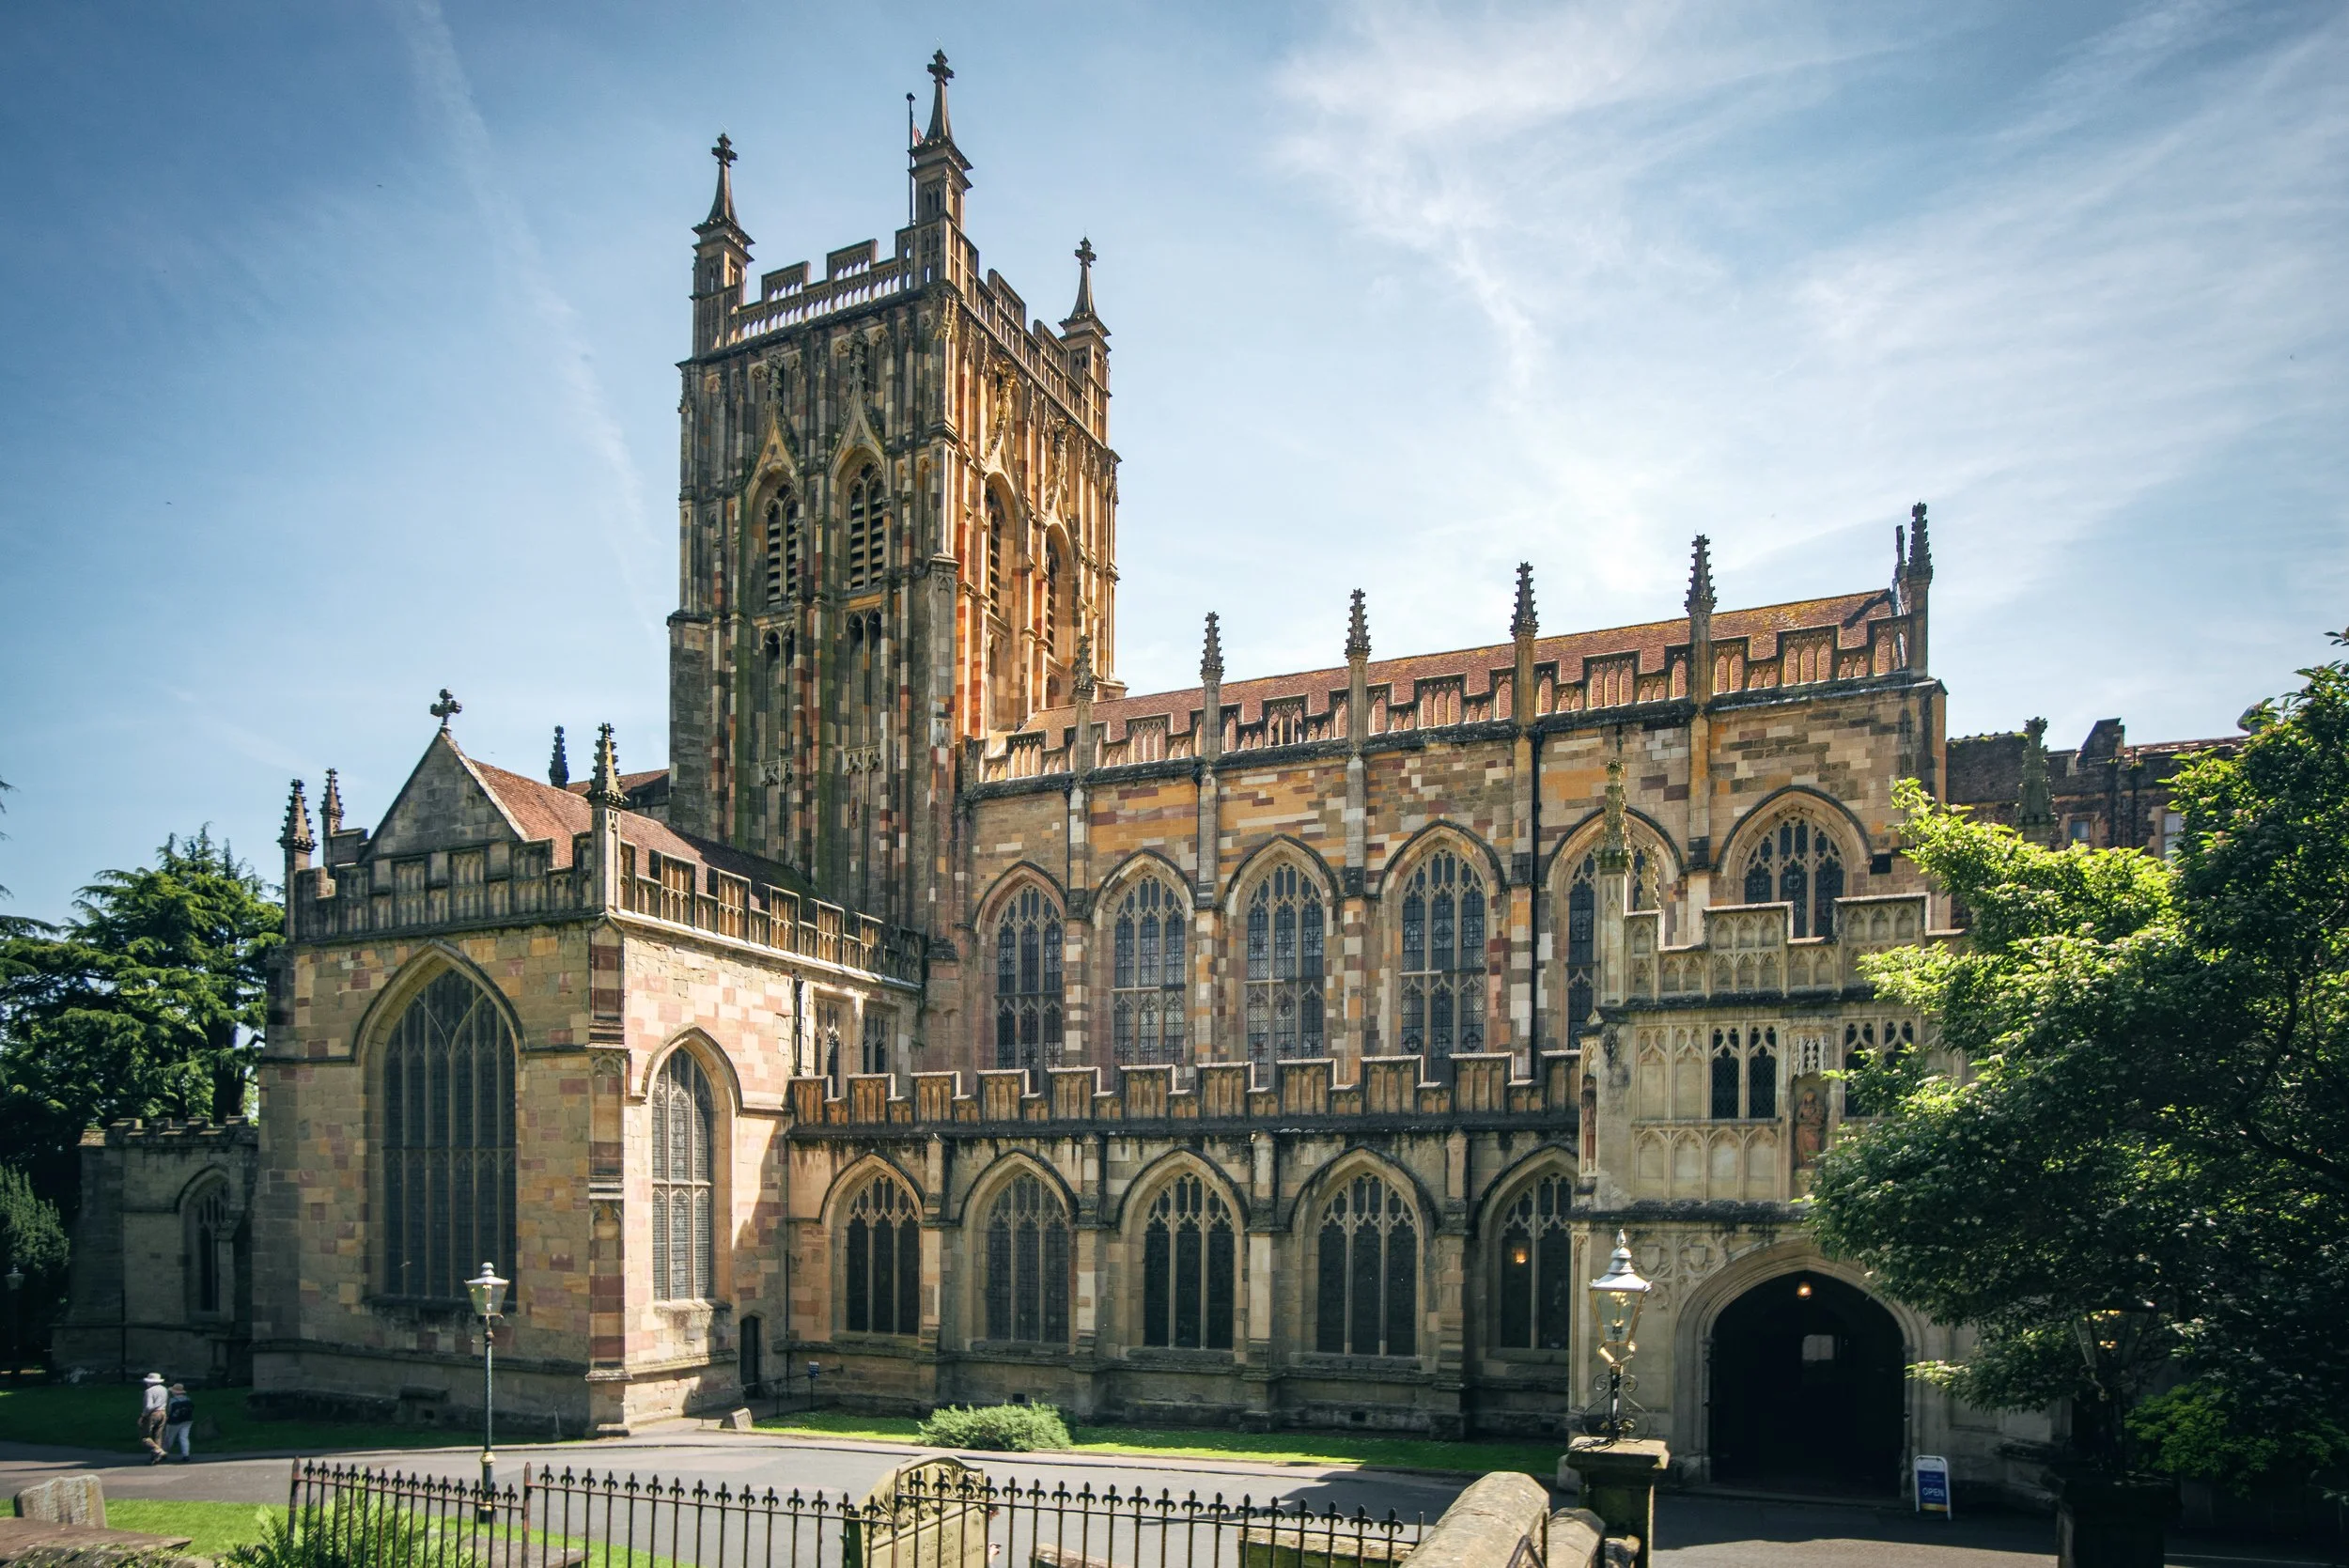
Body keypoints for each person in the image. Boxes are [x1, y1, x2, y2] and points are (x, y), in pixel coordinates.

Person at [137, 1372, 167, 1463]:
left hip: (153, 1414)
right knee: (157, 1435)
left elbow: (149, 1406)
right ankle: (156, 1456)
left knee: (145, 1437)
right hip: (163, 1412)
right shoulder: (164, 1389)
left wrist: (143, 1415)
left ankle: (158, 1451)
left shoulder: (149, 1391)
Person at [163, 1383, 194, 1462]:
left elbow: (168, 1411)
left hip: (174, 1422)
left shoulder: (172, 1401)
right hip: (187, 1420)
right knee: (184, 1437)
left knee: (169, 1438)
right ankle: (186, 1455)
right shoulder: (188, 1399)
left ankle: (164, 1453)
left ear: (174, 1392)